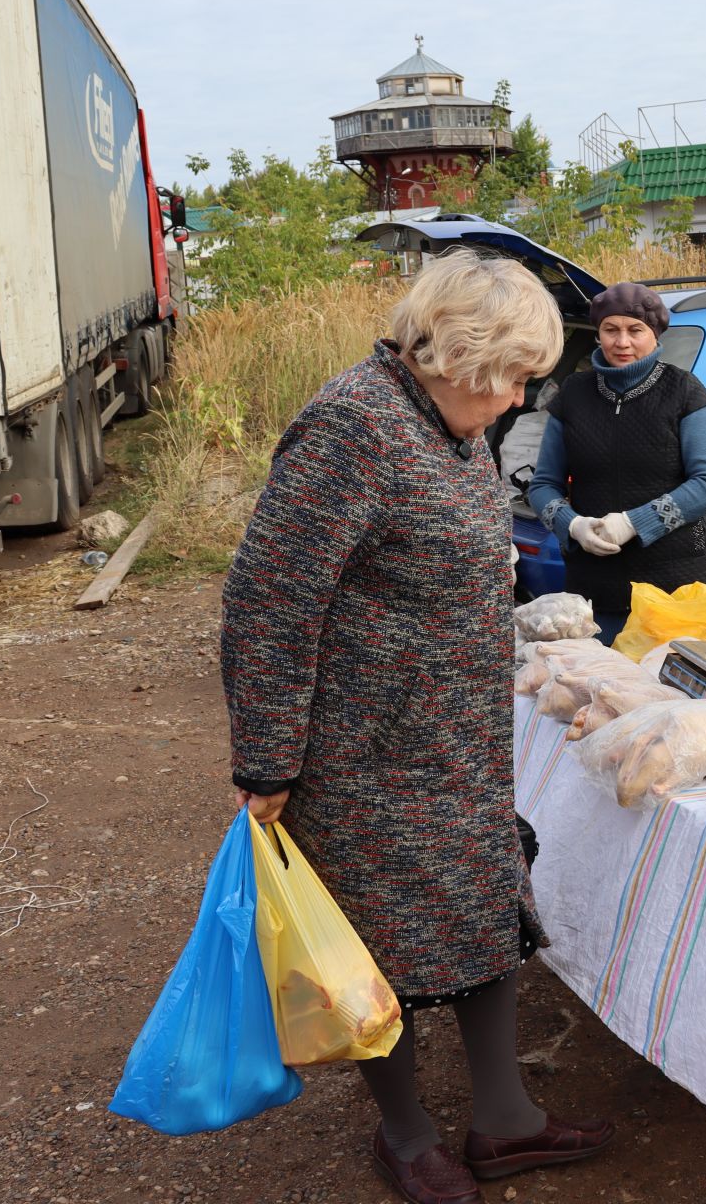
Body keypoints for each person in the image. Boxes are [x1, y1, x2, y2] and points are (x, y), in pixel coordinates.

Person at [222, 251, 614, 1204]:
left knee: (484, 914)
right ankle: (404, 1135)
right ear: (465, 353)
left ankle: (505, 1119)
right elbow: (270, 603)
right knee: (376, 947)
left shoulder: (451, 424)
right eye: (517, 375)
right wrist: (269, 758)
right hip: (362, 755)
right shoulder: (352, 428)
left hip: (454, 745)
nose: (521, 398)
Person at [527, 281, 706, 642]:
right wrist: (573, 527)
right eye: (611, 330)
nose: (622, 342)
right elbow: (542, 486)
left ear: (655, 334)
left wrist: (635, 523)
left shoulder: (684, 391)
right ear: (598, 333)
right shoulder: (573, 394)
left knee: (672, 692)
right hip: (595, 587)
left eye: (635, 330)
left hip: (676, 586)